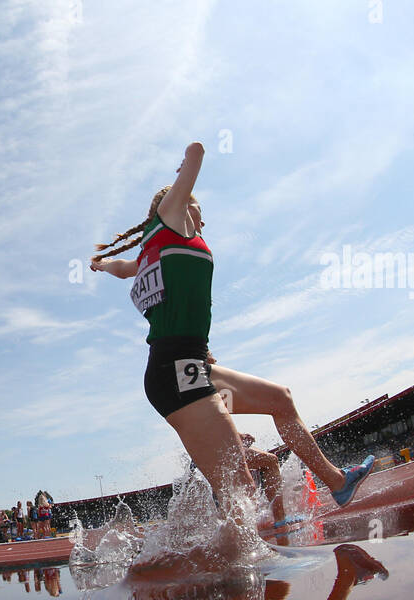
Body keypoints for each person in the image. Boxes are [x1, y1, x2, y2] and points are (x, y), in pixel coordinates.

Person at [89, 141, 374, 529]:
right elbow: (197, 151)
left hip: (192, 364)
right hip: (174, 372)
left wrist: (102, 265)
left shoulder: (152, 251)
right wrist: (185, 166)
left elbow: (125, 268)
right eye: (198, 212)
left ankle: (336, 481)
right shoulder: (170, 223)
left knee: (281, 399)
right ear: (177, 205)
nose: (203, 223)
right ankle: (228, 574)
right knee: (239, 492)